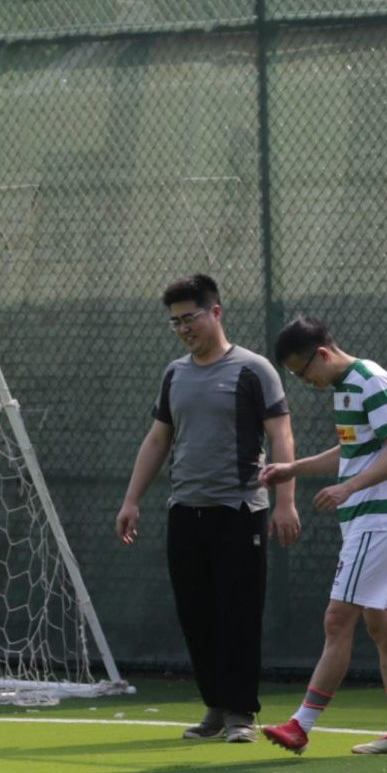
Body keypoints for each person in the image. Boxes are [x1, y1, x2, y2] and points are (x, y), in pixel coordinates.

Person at [113, 273, 299, 742]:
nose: (183, 329)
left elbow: (281, 436)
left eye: (189, 318)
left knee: (238, 612)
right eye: (175, 322)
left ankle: (241, 713)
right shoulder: (174, 374)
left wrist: (285, 502)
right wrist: (132, 500)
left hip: (240, 510)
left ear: (215, 312)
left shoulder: (254, 370)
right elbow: (158, 439)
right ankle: (215, 707)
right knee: (196, 614)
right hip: (185, 511)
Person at [257, 318, 387, 755]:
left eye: (303, 372)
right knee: (383, 626)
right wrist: (293, 469)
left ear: (323, 354)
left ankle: (301, 725)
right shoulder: (346, 387)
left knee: (337, 620)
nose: (305, 382)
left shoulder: (370, 381)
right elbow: (353, 452)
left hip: (377, 520)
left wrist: (349, 488)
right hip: (371, 521)